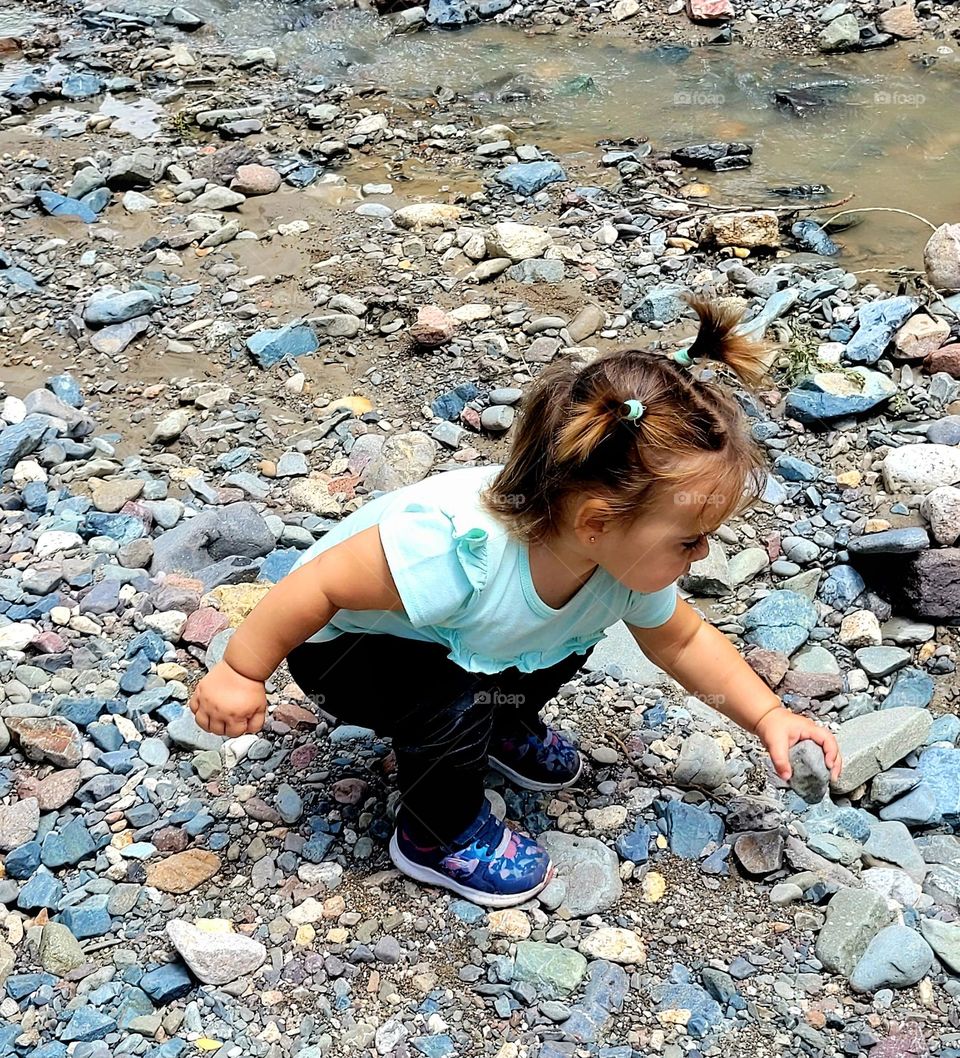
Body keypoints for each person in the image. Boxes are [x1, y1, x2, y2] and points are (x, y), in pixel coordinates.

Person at [188, 297, 842, 909]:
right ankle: (433, 833)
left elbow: (683, 641)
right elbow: (317, 586)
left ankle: (498, 725)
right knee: (457, 693)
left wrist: (767, 718)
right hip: (342, 652)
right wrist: (241, 671)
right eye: (691, 538)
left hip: (465, 638)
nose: (702, 555)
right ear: (596, 522)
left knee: (563, 641)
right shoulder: (455, 553)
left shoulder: (619, 561)